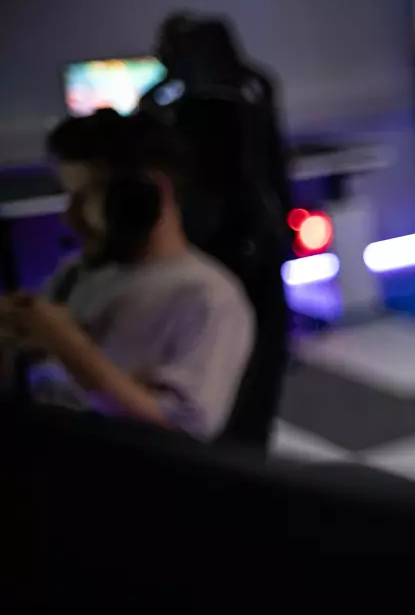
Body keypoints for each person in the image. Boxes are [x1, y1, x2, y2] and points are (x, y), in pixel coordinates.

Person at [0, 111, 254, 440]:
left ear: (148, 193)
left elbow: (182, 433)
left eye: (85, 197)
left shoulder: (207, 297)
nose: (69, 217)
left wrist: (69, 345)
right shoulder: (76, 274)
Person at [140, 12, 292, 448]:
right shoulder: (254, 86)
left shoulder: (178, 104)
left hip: (213, 243)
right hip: (260, 239)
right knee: (259, 356)